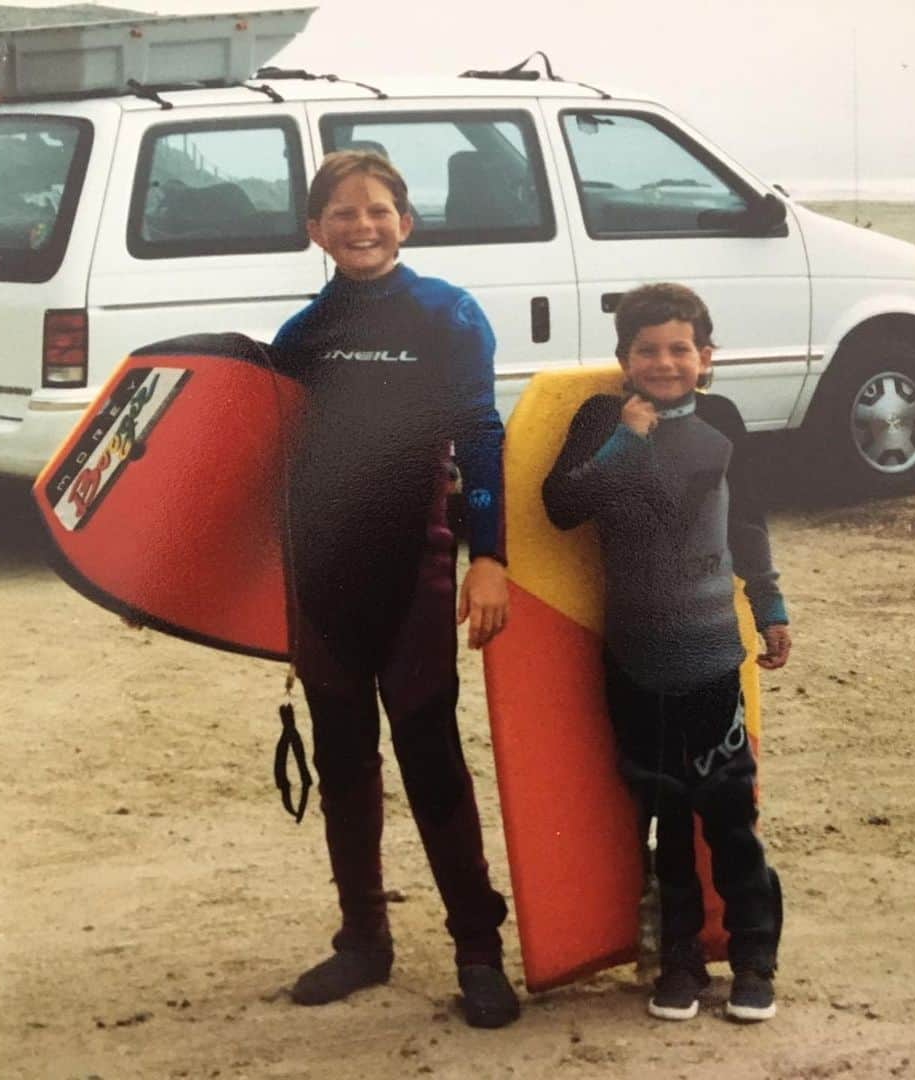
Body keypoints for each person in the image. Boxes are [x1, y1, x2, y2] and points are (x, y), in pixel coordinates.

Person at [269, 150, 519, 1029]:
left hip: (413, 564)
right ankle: (363, 940)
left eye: (377, 210)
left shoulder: (447, 314)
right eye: (341, 214)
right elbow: (260, 461)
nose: (361, 226)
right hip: (323, 574)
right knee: (342, 756)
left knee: (428, 749)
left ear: (406, 222)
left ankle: (478, 950)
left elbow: (481, 434)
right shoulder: (299, 337)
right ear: (315, 231)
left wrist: (490, 555)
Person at [541, 282, 790, 1023]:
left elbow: (747, 522)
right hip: (635, 655)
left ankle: (753, 958)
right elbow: (561, 507)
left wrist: (769, 605)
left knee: (728, 812)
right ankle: (677, 961)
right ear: (623, 359)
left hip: (713, 654)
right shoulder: (600, 419)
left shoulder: (723, 420)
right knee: (664, 813)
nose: (664, 361)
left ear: (706, 358)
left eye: (680, 348)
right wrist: (626, 440)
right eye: (646, 349)